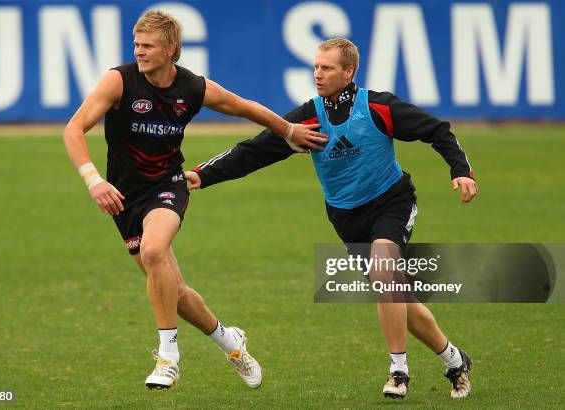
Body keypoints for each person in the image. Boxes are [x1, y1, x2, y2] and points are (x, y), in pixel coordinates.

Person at [185, 38, 478, 399]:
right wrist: (203, 174)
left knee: (385, 269)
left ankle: (398, 371)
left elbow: (437, 130)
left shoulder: (377, 107)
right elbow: (256, 150)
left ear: (349, 71)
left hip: (392, 203)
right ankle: (454, 359)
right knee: (399, 298)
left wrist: (461, 170)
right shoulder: (308, 119)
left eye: (326, 68)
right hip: (345, 217)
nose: (317, 74)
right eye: (315, 67)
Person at [63, 10, 328, 391]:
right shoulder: (119, 81)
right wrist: (93, 181)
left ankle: (168, 356)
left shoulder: (192, 88)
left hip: (167, 185)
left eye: (148, 45)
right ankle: (229, 341)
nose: (139, 51)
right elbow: (74, 128)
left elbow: (244, 106)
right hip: (123, 197)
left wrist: (288, 130)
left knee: (155, 253)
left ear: (172, 50)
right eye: (136, 44)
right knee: (176, 291)